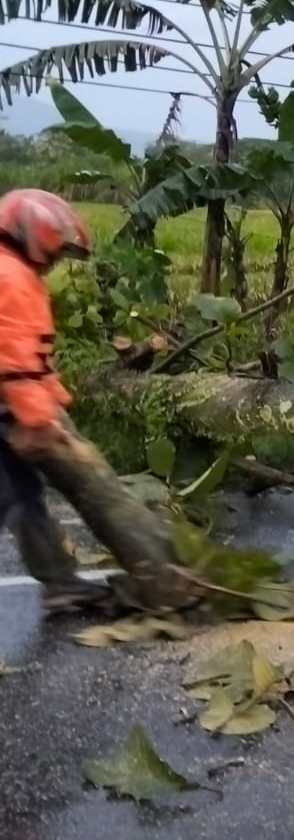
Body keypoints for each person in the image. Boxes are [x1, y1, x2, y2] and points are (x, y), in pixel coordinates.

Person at [0, 189, 197, 613]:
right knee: (19, 497)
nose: (56, 263)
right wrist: (38, 418)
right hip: (9, 405)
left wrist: (54, 400)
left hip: (9, 403)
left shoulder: (11, 270)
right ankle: (61, 583)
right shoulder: (13, 278)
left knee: (18, 496)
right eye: (55, 253)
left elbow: (35, 359)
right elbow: (15, 359)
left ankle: (60, 583)